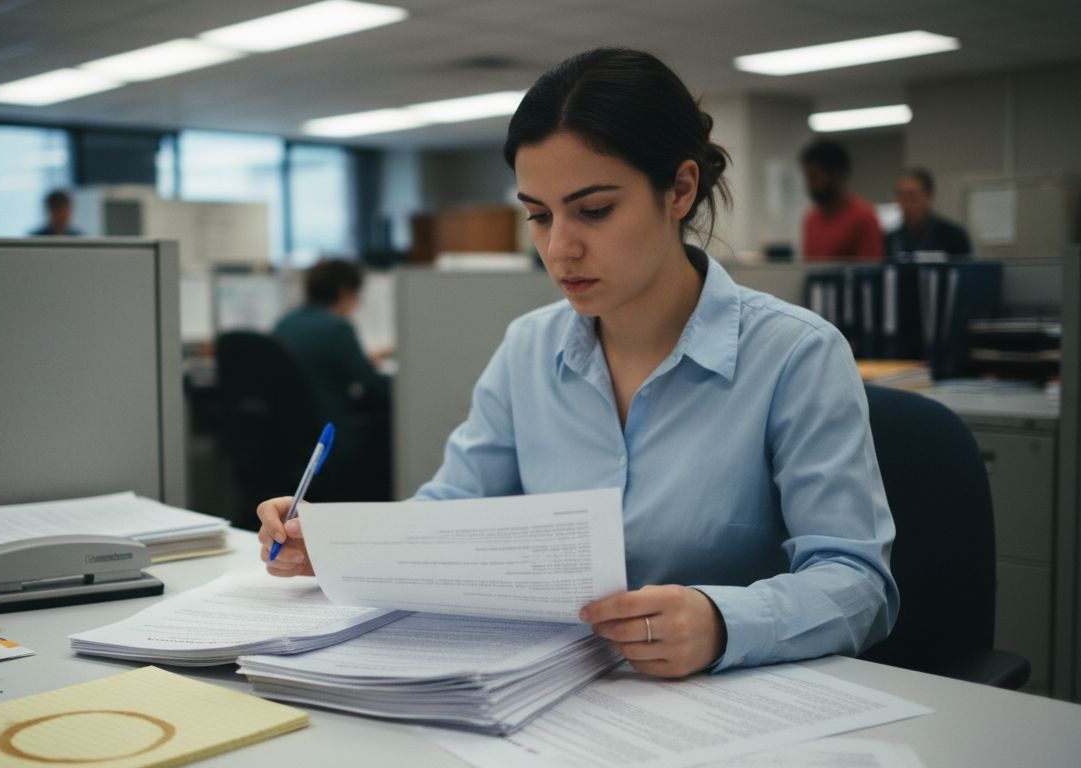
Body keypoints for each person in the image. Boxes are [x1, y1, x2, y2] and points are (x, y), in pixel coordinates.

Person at [258, 48, 897, 679]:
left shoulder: (795, 354)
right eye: (538, 216)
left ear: (679, 189)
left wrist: (722, 621)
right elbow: (447, 514)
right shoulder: (527, 350)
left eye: (593, 210)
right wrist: (337, 545)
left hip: (728, 702)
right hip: (547, 691)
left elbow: (857, 584)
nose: (559, 248)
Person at [272, 259, 392, 499]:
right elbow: (374, 386)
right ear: (345, 293)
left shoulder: (285, 323)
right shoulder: (338, 328)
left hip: (289, 438)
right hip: (330, 437)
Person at [800, 140, 883, 262]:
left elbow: (871, 273)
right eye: (807, 177)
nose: (809, 185)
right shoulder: (811, 219)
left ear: (836, 174)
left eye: (814, 176)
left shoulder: (863, 217)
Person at [885, 167, 972, 259]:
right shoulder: (890, 239)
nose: (906, 204)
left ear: (929, 196)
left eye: (912, 196)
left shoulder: (953, 236)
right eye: (901, 196)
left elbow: (966, 272)